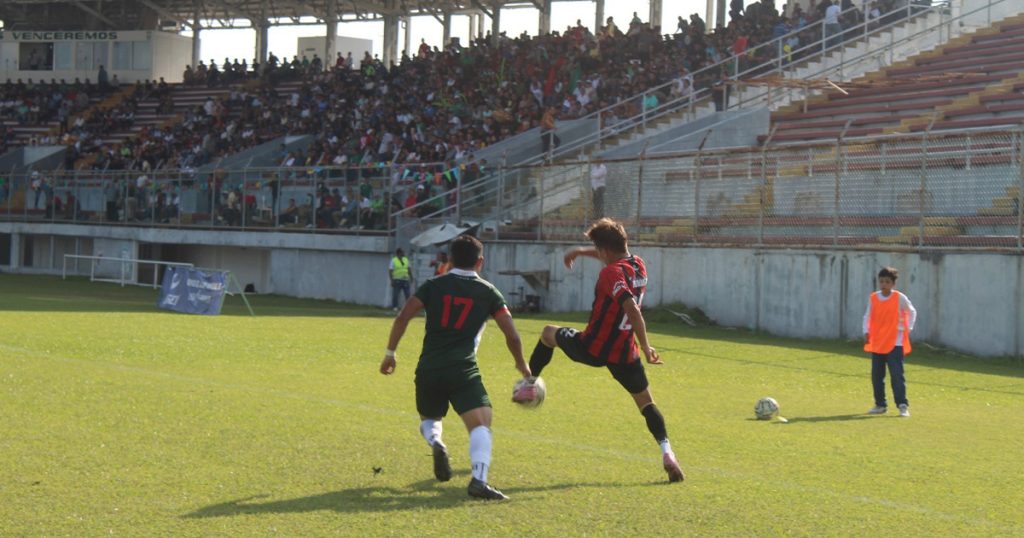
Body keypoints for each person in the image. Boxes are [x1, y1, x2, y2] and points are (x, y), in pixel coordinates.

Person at [522, 218, 685, 483]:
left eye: (597, 250)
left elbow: (630, 309)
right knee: (646, 403)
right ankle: (668, 453)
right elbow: (611, 260)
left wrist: (647, 346)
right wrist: (579, 252)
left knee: (548, 333)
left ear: (605, 251)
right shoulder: (638, 265)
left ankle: (529, 384)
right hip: (625, 353)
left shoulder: (609, 273)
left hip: (593, 347)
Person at [379, 235, 531, 500]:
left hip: (428, 366)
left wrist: (390, 353)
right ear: (480, 262)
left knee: (430, 419)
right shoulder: (489, 292)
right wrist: (522, 365)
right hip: (462, 368)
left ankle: (437, 443)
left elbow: (403, 316)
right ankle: (479, 481)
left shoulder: (433, 285)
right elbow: (513, 335)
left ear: (449, 260)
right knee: (481, 423)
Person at [863, 266, 916, 418]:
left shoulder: (899, 298)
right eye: (881, 281)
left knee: (897, 375)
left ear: (893, 284)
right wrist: (866, 331)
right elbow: (867, 315)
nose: (884, 284)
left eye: (887, 281)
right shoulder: (873, 297)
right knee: (876, 376)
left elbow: (912, 311)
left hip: (895, 342)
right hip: (878, 342)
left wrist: (908, 328)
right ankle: (880, 404)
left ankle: (902, 405)